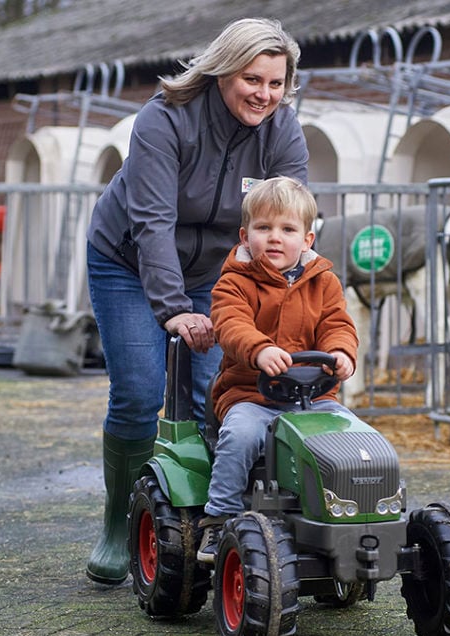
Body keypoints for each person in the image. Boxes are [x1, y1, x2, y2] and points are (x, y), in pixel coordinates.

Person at [83, 18, 309, 585]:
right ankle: (121, 521)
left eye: (276, 83)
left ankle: (204, 529)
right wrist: (172, 309)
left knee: (219, 394)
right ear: (223, 70)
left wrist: (298, 305)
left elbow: (293, 227)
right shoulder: (165, 119)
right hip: (129, 261)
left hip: (215, 271)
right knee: (139, 390)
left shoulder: (281, 133)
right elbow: (153, 223)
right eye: (252, 79)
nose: (264, 94)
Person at [196, 176, 358, 563]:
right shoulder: (233, 282)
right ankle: (219, 520)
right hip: (251, 397)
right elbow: (230, 325)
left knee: (351, 436)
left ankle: (350, 514)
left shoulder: (325, 284)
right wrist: (259, 349)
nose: (274, 238)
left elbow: (338, 324)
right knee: (240, 436)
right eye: (263, 228)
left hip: (313, 399)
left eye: (287, 229)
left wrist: (341, 353)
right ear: (245, 234)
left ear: (307, 240)